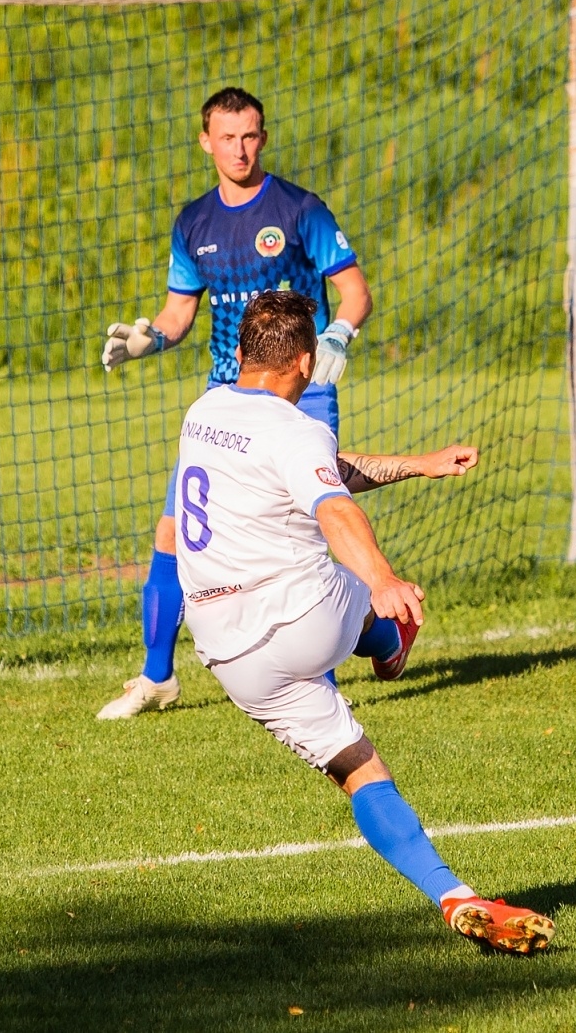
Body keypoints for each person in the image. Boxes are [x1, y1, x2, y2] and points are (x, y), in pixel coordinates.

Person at [169, 290, 554, 954]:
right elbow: (333, 505)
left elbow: (322, 475)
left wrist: (417, 463)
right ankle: (388, 631)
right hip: (301, 614)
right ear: (306, 359)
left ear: (239, 353)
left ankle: (456, 895)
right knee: (344, 584)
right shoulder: (298, 429)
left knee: (357, 766)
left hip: (225, 652)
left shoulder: (203, 411)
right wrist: (382, 579)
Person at [98, 86, 372, 720]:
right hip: (227, 398)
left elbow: (353, 290)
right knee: (173, 532)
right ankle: (157, 677)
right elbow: (177, 313)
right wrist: (148, 340)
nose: (239, 148)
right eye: (227, 137)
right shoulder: (193, 222)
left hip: (303, 392)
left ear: (263, 138)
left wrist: (338, 332)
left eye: (249, 136)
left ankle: (320, 671)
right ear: (205, 142)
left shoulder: (301, 209)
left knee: (307, 532)